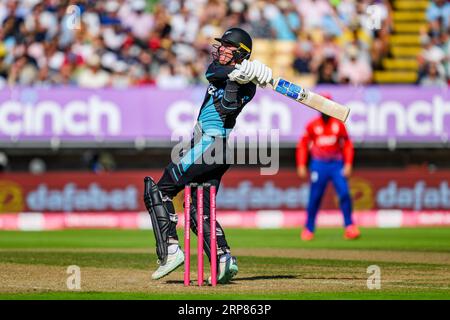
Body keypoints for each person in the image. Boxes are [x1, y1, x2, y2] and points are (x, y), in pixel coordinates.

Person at [143, 28, 272, 284]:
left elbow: (227, 107)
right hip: (216, 149)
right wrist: (238, 72)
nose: (221, 49)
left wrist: (241, 79)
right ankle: (223, 259)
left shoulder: (248, 88)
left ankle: (170, 251)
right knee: (196, 211)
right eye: (221, 44)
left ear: (240, 53)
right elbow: (212, 72)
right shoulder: (220, 70)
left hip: (211, 145)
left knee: (159, 191)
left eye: (227, 46)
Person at [296, 93, 360, 241]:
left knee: (344, 193)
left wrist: (348, 163)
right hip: (319, 164)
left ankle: (349, 226)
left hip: (336, 164)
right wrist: (301, 164)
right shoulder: (312, 125)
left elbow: (347, 145)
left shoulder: (338, 125)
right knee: (315, 197)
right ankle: (309, 228)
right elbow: (303, 146)